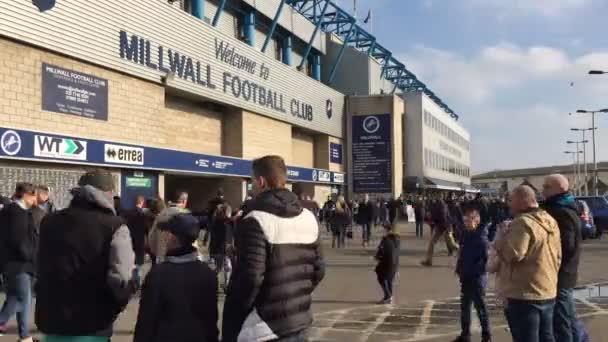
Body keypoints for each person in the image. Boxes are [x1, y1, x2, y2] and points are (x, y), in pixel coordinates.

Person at [222, 155, 325, 342]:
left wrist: (235, 318)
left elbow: (250, 278)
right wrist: (296, 298)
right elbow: (319, 270)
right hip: (299, 322)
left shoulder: (255, 220)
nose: (252, 186)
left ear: (261, 182)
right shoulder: (309, 217)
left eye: (252, 181)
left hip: (264, 326)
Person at [35, 170, 135, 341]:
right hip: (92, 323)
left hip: (51, 320)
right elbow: (121, 278)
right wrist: (116, 306)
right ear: (109, 193)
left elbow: (40, 266)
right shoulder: (115, 227)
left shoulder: (49, 221)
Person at [133, 214, 219, 342]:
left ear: (173, 238)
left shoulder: (158, 275)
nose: (164, 237)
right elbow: (211, 320)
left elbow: (146, 322)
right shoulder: (208, 274)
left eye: (166, 233)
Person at [496, 185, 561, 342]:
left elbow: (512, 254)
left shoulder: (523, 222)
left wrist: (501, 237)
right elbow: (558, 255)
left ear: (521, 200)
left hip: (524, 294)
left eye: (511, 200)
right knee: (547, 337)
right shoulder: (549, 220)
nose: (509, 204)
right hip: (547, 289)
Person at [541, 174, 582, 342]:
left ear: (560, 189)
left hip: (561, 274)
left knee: (561, 321)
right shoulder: (562, 207)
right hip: (564, 273)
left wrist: (551, 265)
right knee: (569, 318)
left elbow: (567, 246)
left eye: (547, 187)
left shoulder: (562, 212)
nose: (543, 190)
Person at [0, 183, 38, 342]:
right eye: (34, 195)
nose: (35, 199)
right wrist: (30, 257)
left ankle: (25, 336)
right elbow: (19, 241)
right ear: (27, 195)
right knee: (20, 298)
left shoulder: (8, 211)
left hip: (10, 263)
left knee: (19, 299)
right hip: (19, 264)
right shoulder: (17, 213)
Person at [453, 205, 491, 342]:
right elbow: (462, 254)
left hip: (476, 279)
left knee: (480, 308)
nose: (466, 223)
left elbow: (486, 262)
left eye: (468, 221)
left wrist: (473, 272)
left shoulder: (482, 239)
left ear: (476, 220)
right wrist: (459, 268)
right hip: (466, 277)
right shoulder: (466, 235)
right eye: (465, 221)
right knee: (465, 307)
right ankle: (465, 335)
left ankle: (486, 336)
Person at [421, 197, 459, 266]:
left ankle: (464, 253)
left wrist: (432, 218)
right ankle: (428, 261)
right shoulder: (436, 206)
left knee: (452, 245)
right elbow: (435, 218)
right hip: (440, 227)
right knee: (432, 243)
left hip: (446, 227)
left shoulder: (441, 207)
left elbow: (443, 218)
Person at [124, 195, 149, 289]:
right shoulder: (142, 214)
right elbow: (146, 229)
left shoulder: (128, 213)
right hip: (140, 241)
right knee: (138, 264)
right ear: (142, 202)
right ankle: (136, 283)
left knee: (131, 263)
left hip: (130, 240)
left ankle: (132, 282)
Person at [208, 203, 234, 289]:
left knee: (224, 267)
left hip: (220, 249)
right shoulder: (223, 223)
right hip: (221, 249)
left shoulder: (218, 222)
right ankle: (217, 283)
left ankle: (224, 285)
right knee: (223, 268)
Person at [374, 224, 400, 304]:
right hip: (394, 263)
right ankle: (390, 296)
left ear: (388, 230)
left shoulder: (386, 240)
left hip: (386, 263)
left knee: (381, 278)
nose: (382, 231)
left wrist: (377, 257)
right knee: (389, 280)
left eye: (384, 230)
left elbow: (382, 251)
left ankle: (388, 296)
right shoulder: (396, 239)